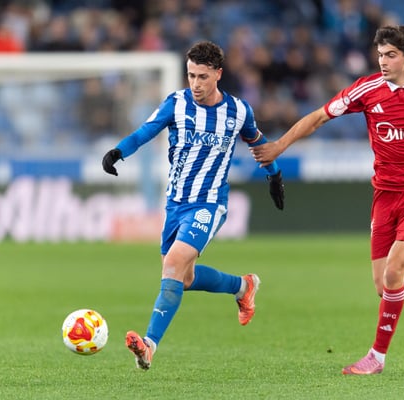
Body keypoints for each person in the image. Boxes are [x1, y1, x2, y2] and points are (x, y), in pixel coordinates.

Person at [251, 25, 404, 375]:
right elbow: (319, 117)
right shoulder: (367, 90)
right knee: (384, 286)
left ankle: (376, 358)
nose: (382, 61)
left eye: (390, 55)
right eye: (380, 55)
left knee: (395, 272)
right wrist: (279, 145)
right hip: (385, 195)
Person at [102, 40, 285, 371]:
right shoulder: (176, 103)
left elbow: (258, 143)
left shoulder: (238, 111)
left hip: (209, 203)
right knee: (182, 278)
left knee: (173, 264)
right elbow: (145, 132)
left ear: (218, 74)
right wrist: (118, 152)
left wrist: (274, 176)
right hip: (175, 204)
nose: (196, 84)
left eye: (202, 76)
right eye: (191, 76)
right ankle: (243, 286)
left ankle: (149, 346)